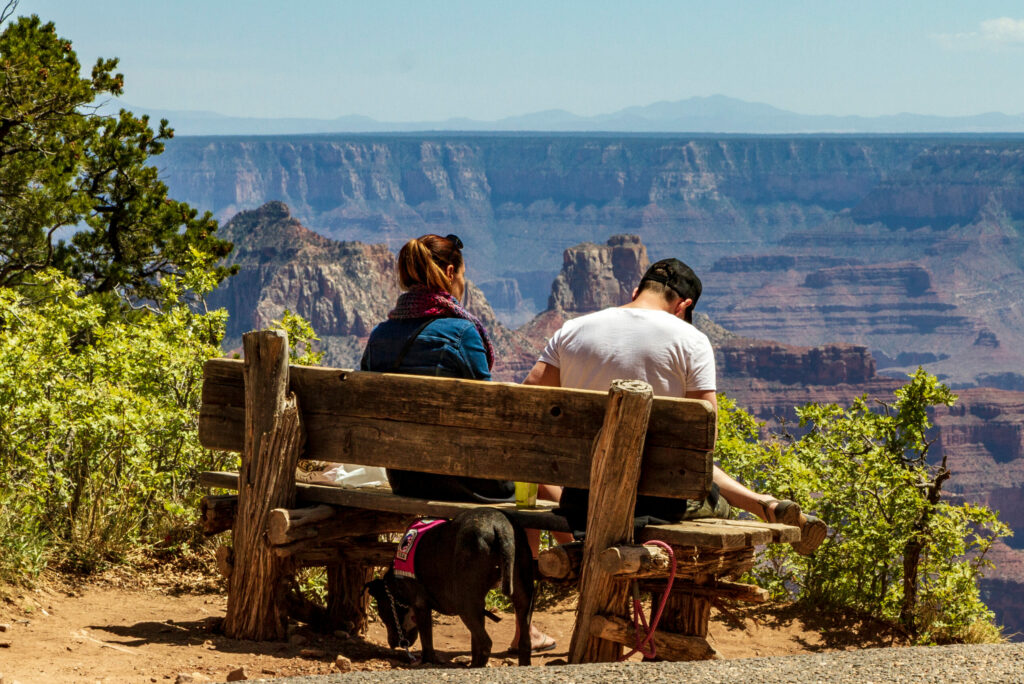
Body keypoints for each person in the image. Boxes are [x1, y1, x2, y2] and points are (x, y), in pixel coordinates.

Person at [523, 257, 827, 555]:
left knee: (679, 464)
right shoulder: (692, 341)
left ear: (635, 293)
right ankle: (765, 505)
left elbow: (528, 401)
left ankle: (765, 503)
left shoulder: (571, 330)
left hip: (582, 500)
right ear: (684, 306)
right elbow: (703, 443)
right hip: (660, 505)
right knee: (699, 480)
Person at [360, 233, 558, 652]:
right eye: (462, 275)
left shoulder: (379, 335)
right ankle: (537, 610)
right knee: (533, 477)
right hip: (463, 483)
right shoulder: (463, 333)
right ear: (450, 274)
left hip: (407, 479)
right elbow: (488, 421)